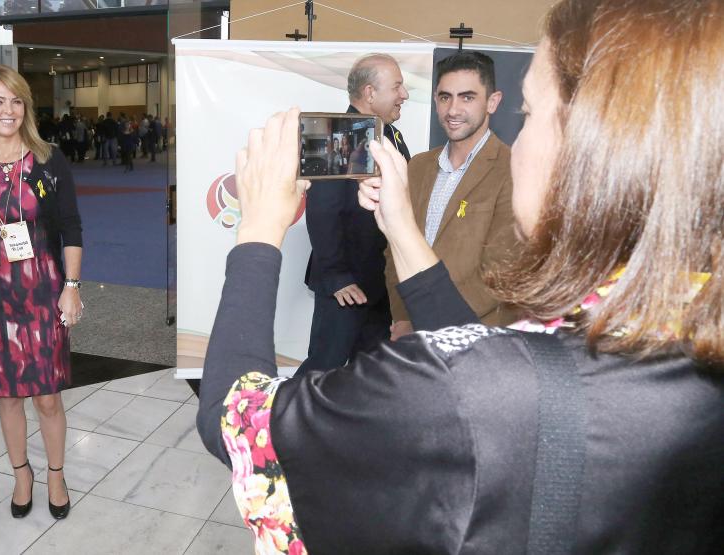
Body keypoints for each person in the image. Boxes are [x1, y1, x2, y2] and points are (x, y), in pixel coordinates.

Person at [196, 0, 724, 552]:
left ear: (593, 148)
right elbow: (484, 352)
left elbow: (234, 420)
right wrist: (403, 230)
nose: (516, 142)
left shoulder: (449, 390)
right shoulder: (679, 331)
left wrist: (258, 229)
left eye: (527, 113)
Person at [0, 65, 84, 521]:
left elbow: (70, 226)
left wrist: (72, 287)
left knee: (47, 396)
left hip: (44, 290)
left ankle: (56, 473)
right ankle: (21, 474)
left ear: (25, 106)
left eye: (15, 100)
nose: (7, 110)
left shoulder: (48, 159)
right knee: (7, 396)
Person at [387, 51, 517, 340]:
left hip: (477, 338)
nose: (453, 110)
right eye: (445, 97)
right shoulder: (418, 166)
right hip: (412, 334)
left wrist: (434, 324)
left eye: (467, 97)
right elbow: (394, 247)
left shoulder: (513, 169)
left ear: (492, 102)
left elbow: (503, 269)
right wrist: (404, 317)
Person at [299, 53, 411, 372]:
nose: (404, 95)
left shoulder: (389, 134)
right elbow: (321, 211)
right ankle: (289, 421)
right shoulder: (334, 134)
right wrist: (336, 276)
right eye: (397, 87)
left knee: (371, 371)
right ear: (370, 93)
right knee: (324, 368)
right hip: (346, 286)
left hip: (379, 284)